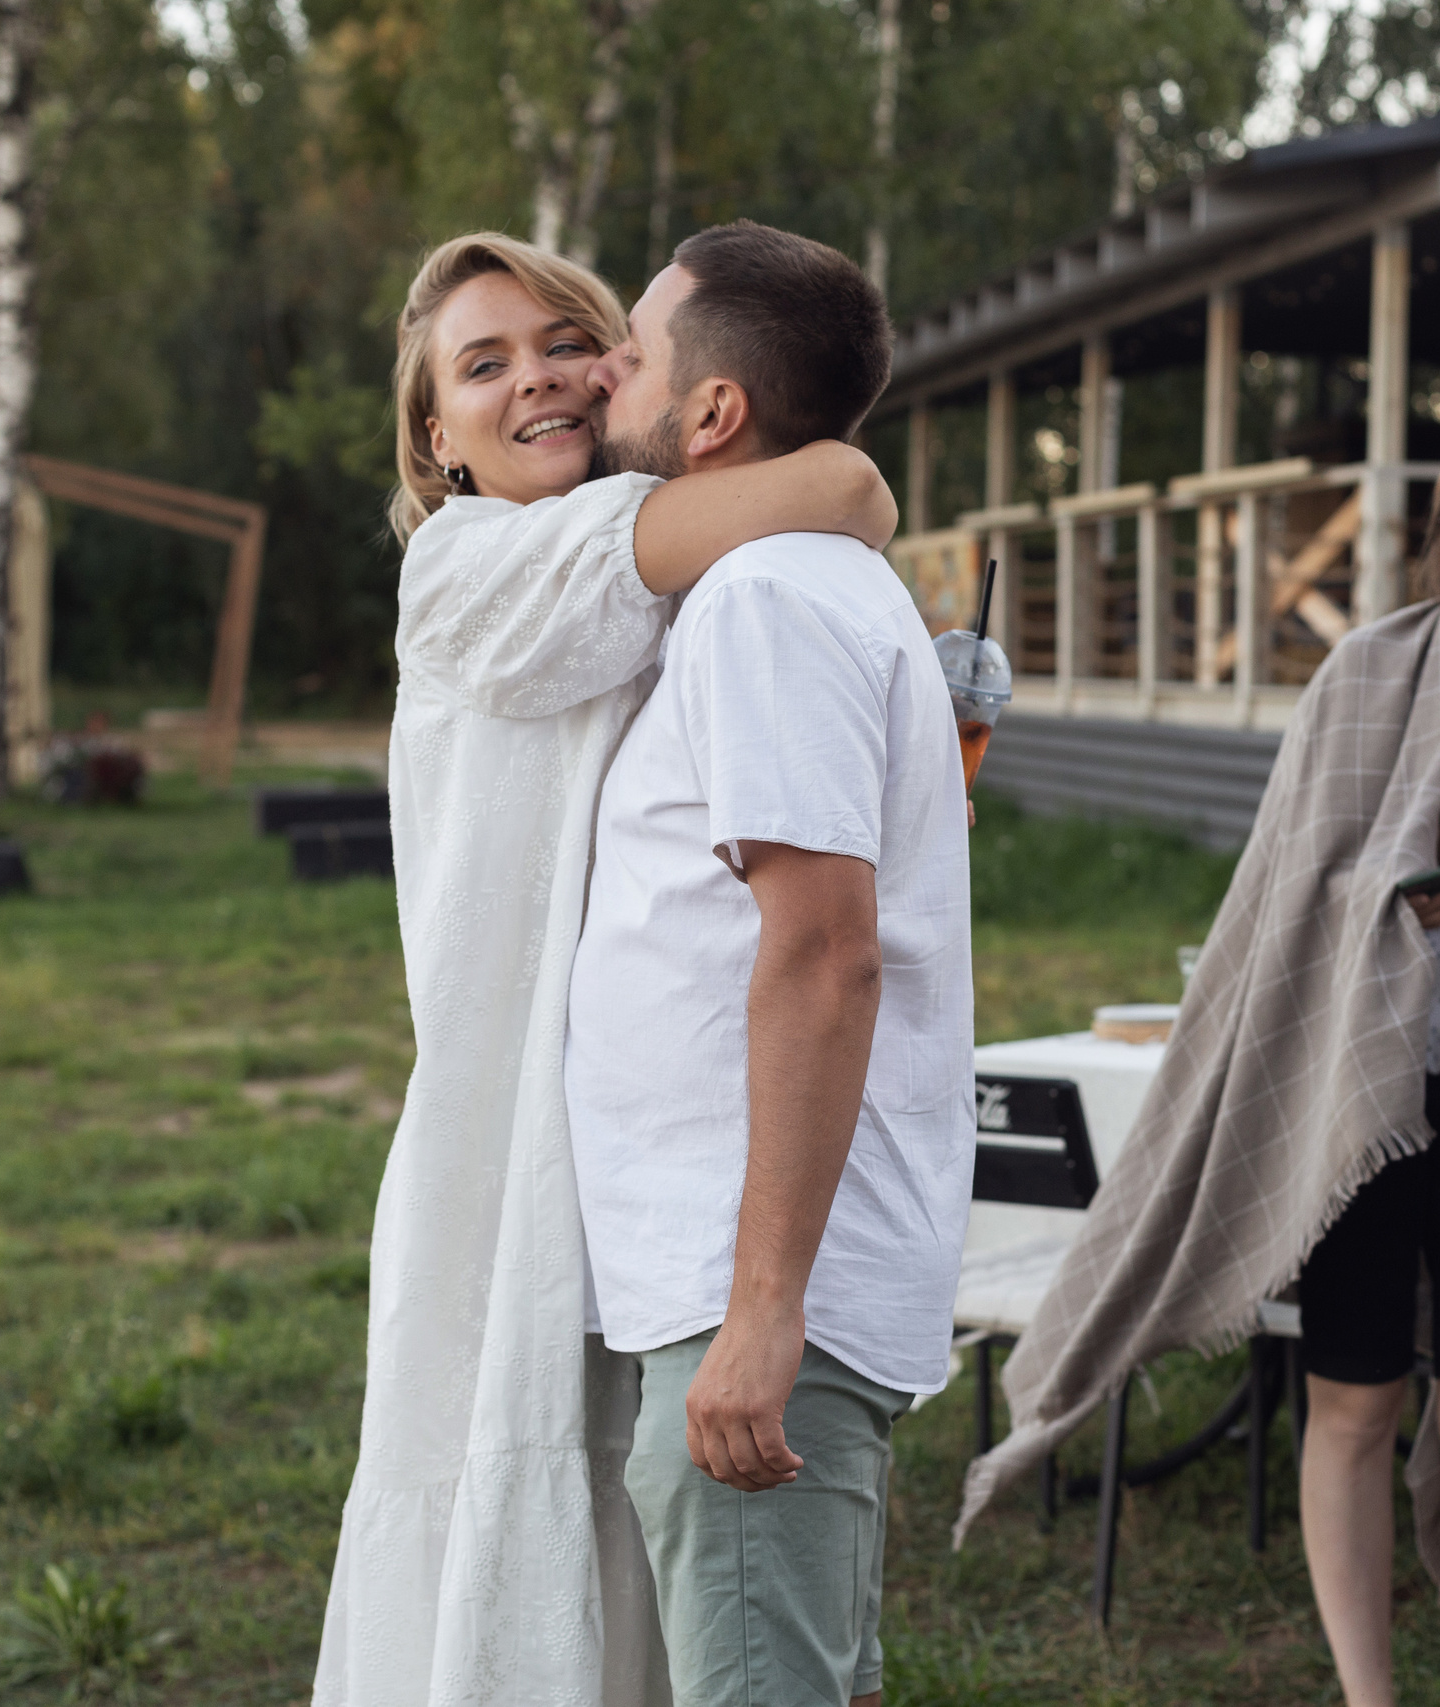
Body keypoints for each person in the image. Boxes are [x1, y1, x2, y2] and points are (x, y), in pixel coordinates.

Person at [951, 420, 1440, 1707]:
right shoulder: (1368, 671)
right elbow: (1293, 873)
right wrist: (1389, 896)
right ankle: (1369, 1695)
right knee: (1351, 1401)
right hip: (1354, 1092)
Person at [312, 231, 898, 1707]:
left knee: (669, 1537)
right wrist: (832, 487)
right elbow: (845, 486)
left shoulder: (675, 560)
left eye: (572, 341)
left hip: (649, 1149)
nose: (543, 380)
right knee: (520, 1524)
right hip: (507, 1153)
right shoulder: (469, 570)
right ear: (434, 438)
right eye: (483, 365)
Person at [561, 221, 975, 1707]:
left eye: (635, 352)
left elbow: (822, 955)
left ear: (714, 411)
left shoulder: (764, 598)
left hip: (758, 1284)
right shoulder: (797, 585)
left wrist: (760, 1311)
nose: (602, 371)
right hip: (770, 1266)